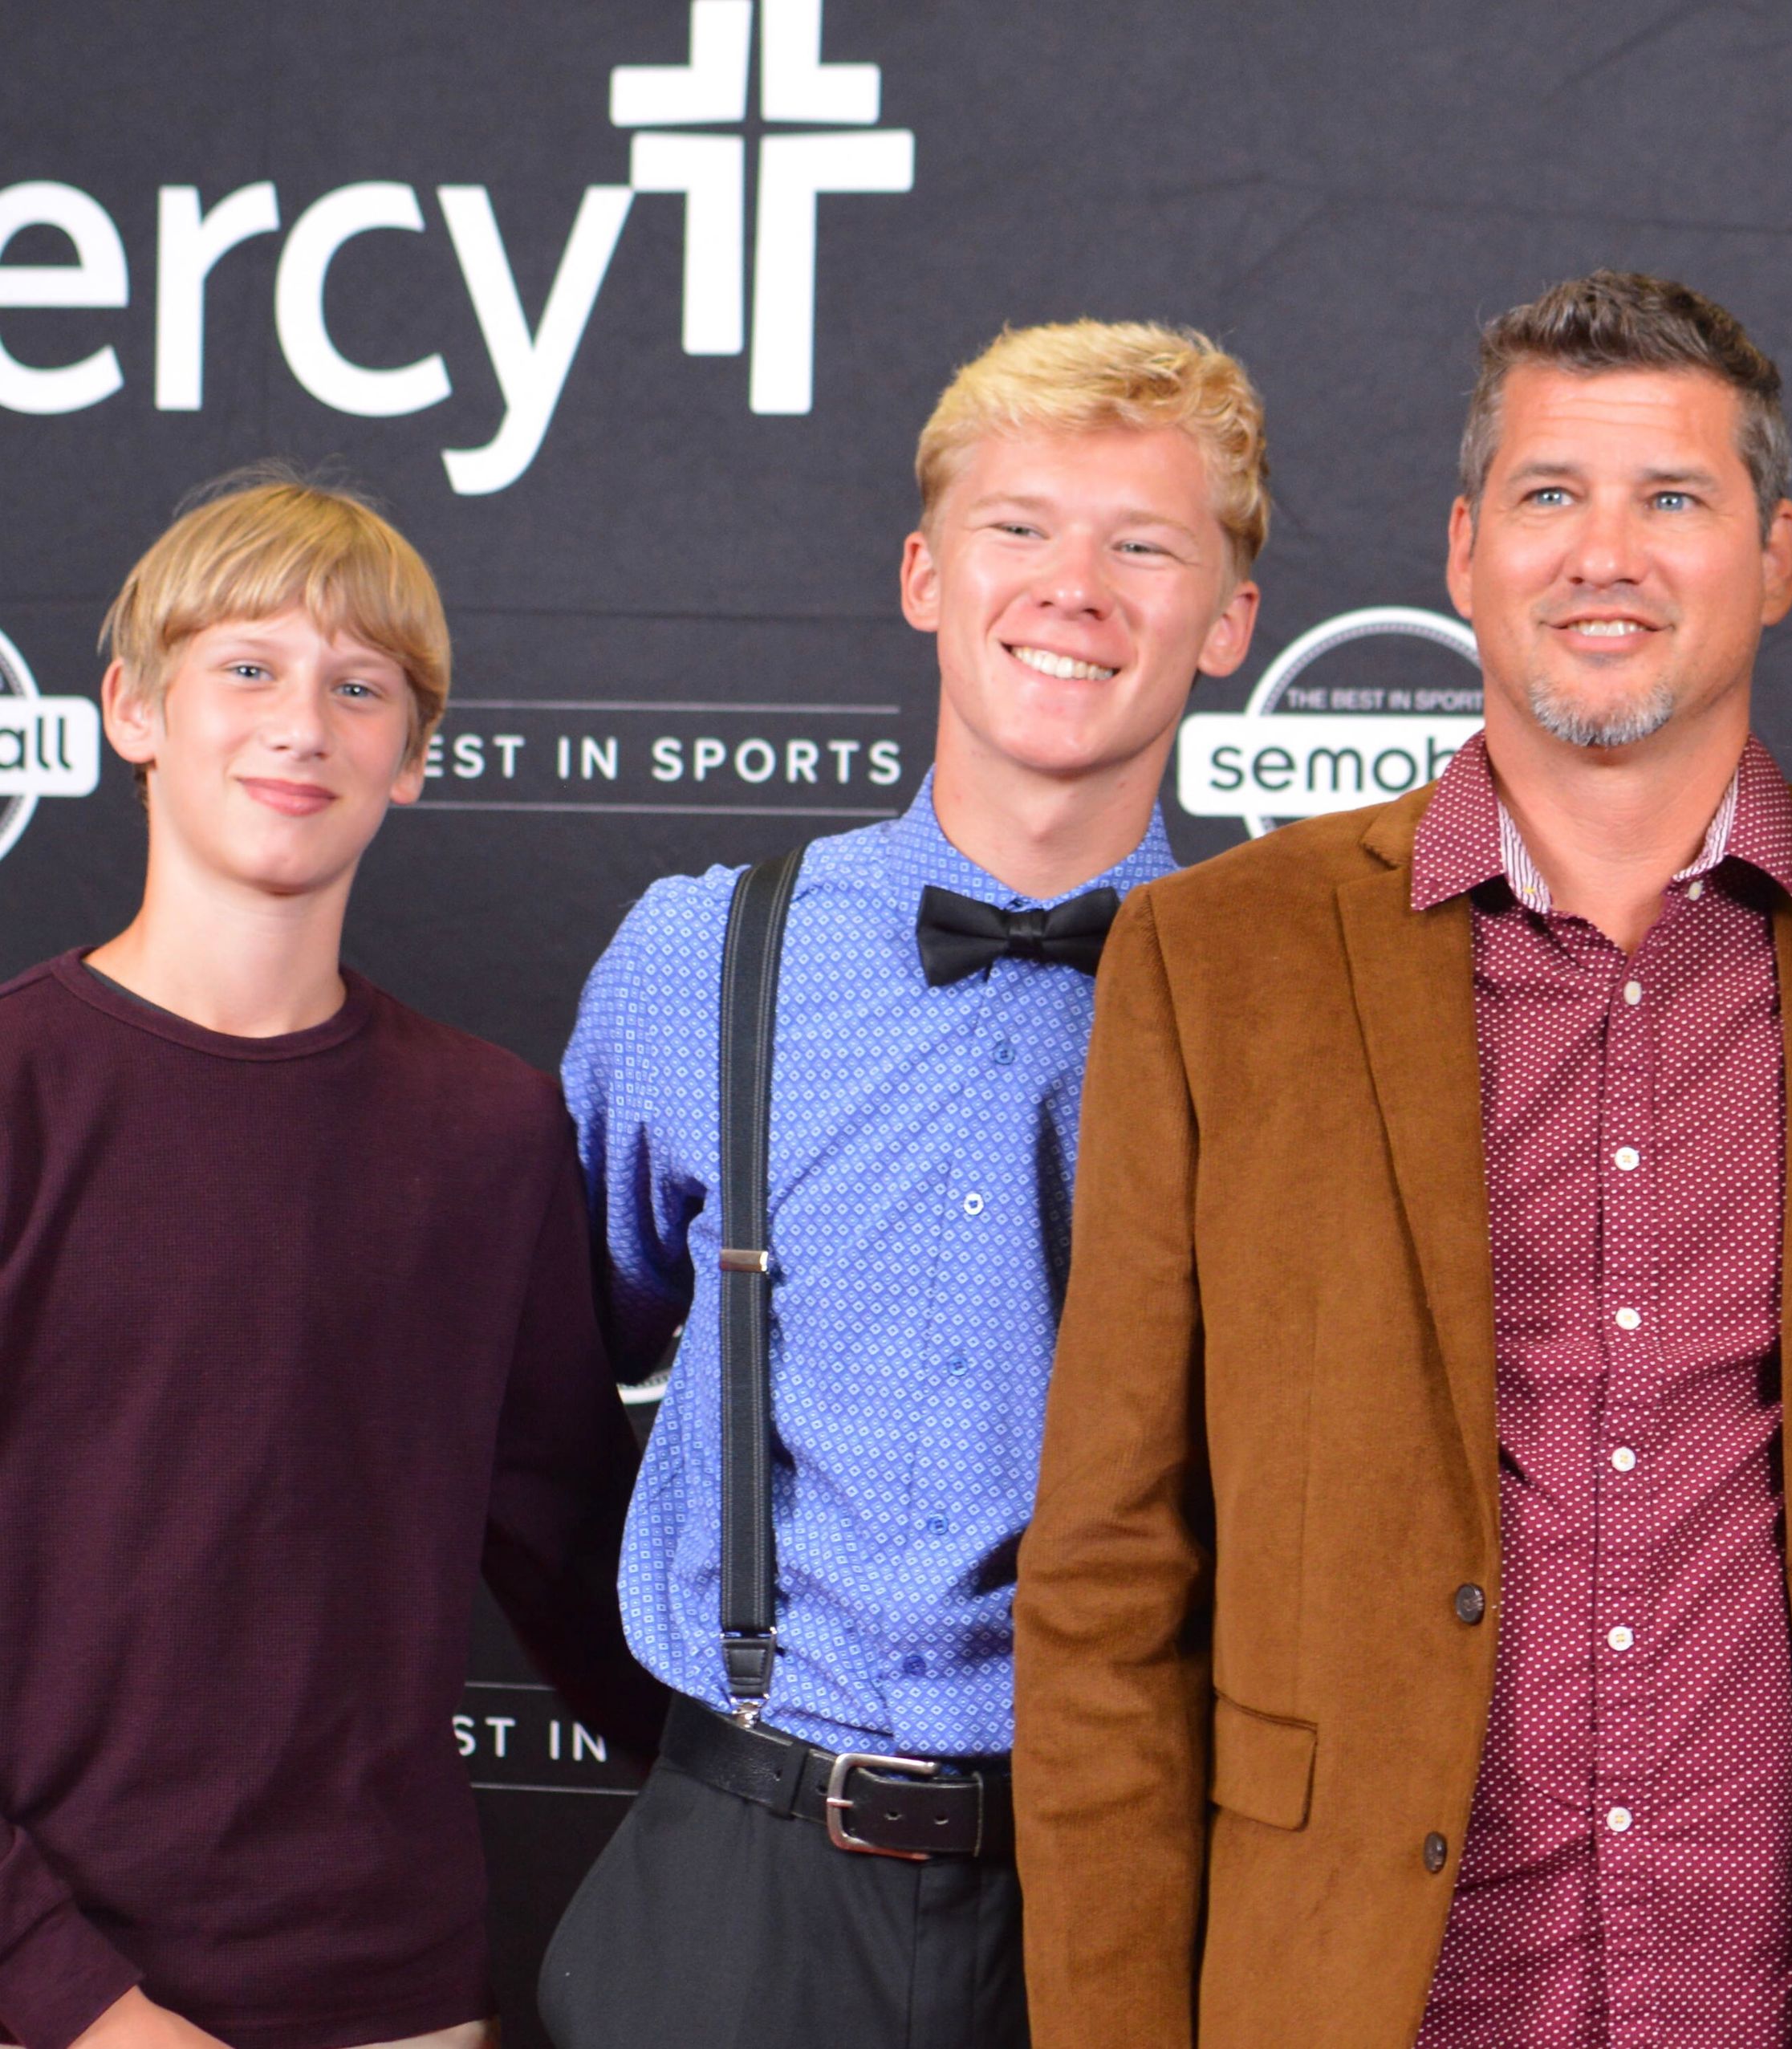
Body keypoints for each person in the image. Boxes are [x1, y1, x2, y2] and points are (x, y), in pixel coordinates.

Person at [1012, 270, 1792, 2048]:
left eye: (1675, 500)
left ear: (1779, 556)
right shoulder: (1220, 958)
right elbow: (1109, 1582)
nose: (1607, 554)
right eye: (1552, 495)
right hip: (1358, 1989)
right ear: (1466, 550)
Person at [536, 320, 1266, 2049]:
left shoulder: (1284, 1002)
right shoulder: (698, 954)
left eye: (1143, 544)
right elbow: (548, 1388)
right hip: (736, 1874)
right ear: (928, 574)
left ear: (1229, 624)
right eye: (1020, 528)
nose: (1072, 587)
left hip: (1123, 1881)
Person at [0, 472, 663, 2049]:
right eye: (247, 666)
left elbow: (577, 1558)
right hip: (53, 1991)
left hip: (390, 1990)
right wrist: (73, 1996)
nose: (303, 721)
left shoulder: (492, 1127)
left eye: (359, 685)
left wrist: (813, 1802)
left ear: (414, 758)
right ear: (131, 708)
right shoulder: (18, 1090)